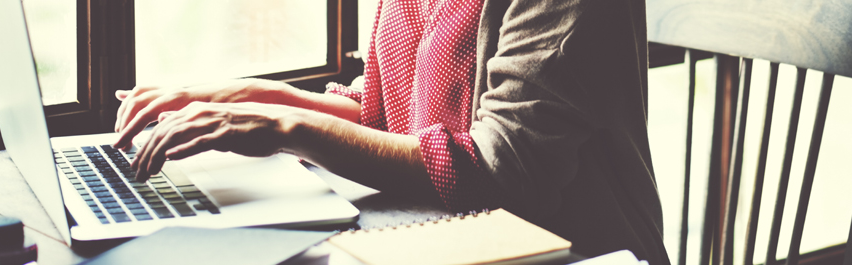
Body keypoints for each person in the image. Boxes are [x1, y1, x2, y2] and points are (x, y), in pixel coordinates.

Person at [112, 0, 668, 263]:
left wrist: (283, 125)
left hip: (569, 253)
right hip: (444, 241)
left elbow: (502, 168)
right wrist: (246, 96)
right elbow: (387, 112)